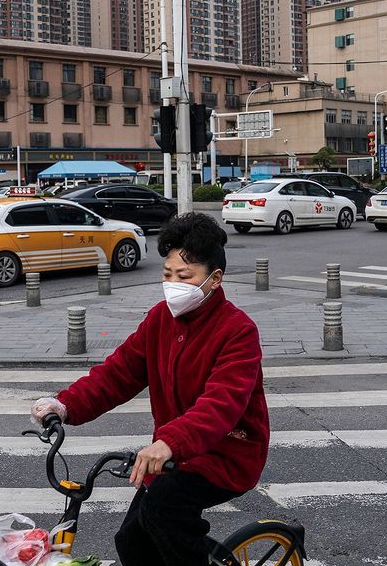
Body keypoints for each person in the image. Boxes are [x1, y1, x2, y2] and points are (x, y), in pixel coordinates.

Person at [32, 212, 269, 566]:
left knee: (163, 511)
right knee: (131, 542)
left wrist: (170, 442)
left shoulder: (238, 331)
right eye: (167, 274)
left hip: (226, 453)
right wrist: (64, 405)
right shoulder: (160, 319)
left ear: (215, 279)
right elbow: (117, 374)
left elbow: (221, 403)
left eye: (185, 277)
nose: (173, 283)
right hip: (172, 454)